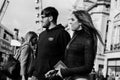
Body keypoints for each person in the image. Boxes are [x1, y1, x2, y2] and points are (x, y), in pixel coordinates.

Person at [45, 10, 104, 80]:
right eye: (70, 19)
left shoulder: (88, 39)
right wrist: (56, 71)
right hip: (70, 77)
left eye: (73, 20)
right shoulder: (74, 36)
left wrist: (64, 72)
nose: (70, 22)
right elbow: (70, 60)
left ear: (80, 22)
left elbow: (88, 67)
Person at [31, 6, 71, 80]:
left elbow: (68, 57)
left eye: (43, 17)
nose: (41, 20)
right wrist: (34, 74)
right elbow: (37, 56)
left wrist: (56, 73)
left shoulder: (62, 34)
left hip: (53, 77)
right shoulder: (42, 34)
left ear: (50, 18)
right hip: (37, 77)